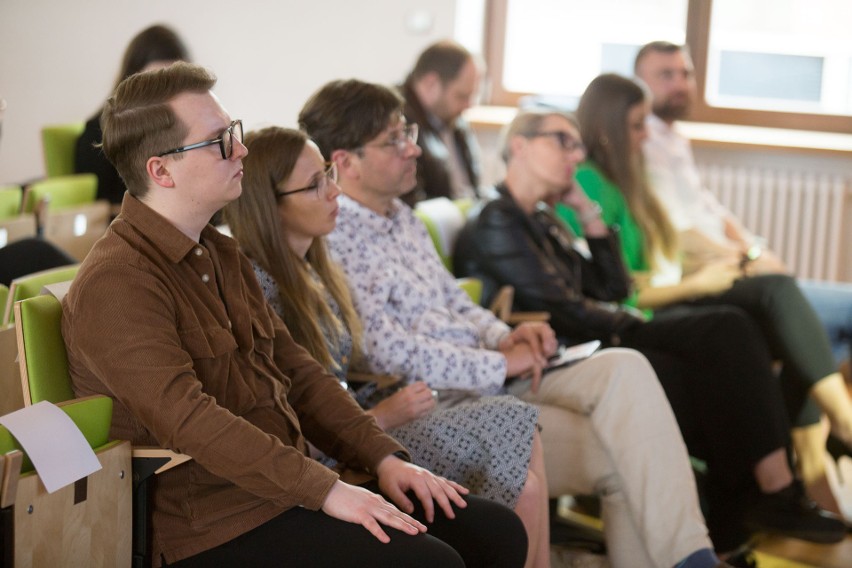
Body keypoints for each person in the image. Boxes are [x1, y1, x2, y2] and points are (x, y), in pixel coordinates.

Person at [60, 62, 528, 568]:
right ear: (161, 170)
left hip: (280, 491)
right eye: (219, 141)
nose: (240, 149)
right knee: (431, 563)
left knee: (495, 533)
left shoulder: (220, 252)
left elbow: (299, 372)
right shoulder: (118, 281)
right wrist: (327, 489)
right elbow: (189, 421)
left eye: (233, 132)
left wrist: (380, 456)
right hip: (208, 525)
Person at [298, 77, 737, 568]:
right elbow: (383, 350)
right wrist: (496, 361)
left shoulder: (400, 216)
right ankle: (693, 560)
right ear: (345, 162)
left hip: (486, 377)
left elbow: (456, 301)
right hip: (440, 400)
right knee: (624, 458)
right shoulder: (334, 234)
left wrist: (506, 334)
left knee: (626, 367)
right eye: (394, 140)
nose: (413, 151)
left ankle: (694, 557)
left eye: (409, 134)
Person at [453, 108, 847, 554]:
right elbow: (564, 309)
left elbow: (614, 286)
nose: (576, 155)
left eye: (578, 144)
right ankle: (761, 502)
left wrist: (589, 214)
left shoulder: (546, 220)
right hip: (560, 349)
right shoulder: (498, 219)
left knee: (730, 339)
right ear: (519, 146)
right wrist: (636, 322)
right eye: (562, 141)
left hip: (590, 335)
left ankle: (744, 517)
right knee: (721, 333)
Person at [222, 125, 549, 568]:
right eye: (316, 185)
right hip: (337, 449)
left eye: (329, 174)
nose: (335, 192)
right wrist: (382, 416)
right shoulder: (258, 287)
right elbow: (286, 423)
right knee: (516, 440)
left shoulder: (314, 270)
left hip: (359, 422)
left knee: (520, 437)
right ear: (269, 206)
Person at [556, 72, 852, 516]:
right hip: (640, 314)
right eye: (637, 125)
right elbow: (616, 289)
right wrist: (697, 284)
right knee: (760, 307)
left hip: (667, 293)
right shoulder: (591, 187)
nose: (645, 136)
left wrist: (733, 258)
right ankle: (815, 453)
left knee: (779, 312)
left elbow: (667, 249)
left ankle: (800, 469)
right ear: (607, 130)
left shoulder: (627, 180)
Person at [633, 41, 852, 376]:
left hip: (733, 262)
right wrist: (749, 262)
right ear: (638, 83)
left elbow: (714, 211)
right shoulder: (643, 148)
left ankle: (821, 426)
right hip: (711, 272)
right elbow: (681, 237)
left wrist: (754, 248)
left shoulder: (675, 140)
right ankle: (839, 424)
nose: (679, 83)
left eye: (685, 74)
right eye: (666, 75)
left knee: (828, 330)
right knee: (837, 312)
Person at [75, 24, 190, 206]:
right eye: (153, 81)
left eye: (173, 82)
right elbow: (103, 208)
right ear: (130, 79)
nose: (163, 92)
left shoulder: (190, 128)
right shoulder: (96, 133)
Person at [399, 39, 484, 205]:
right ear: (431, 84)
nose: (468, 106)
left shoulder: (453, 120)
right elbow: (414, 203)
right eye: (462, 96)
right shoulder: (397, 123)